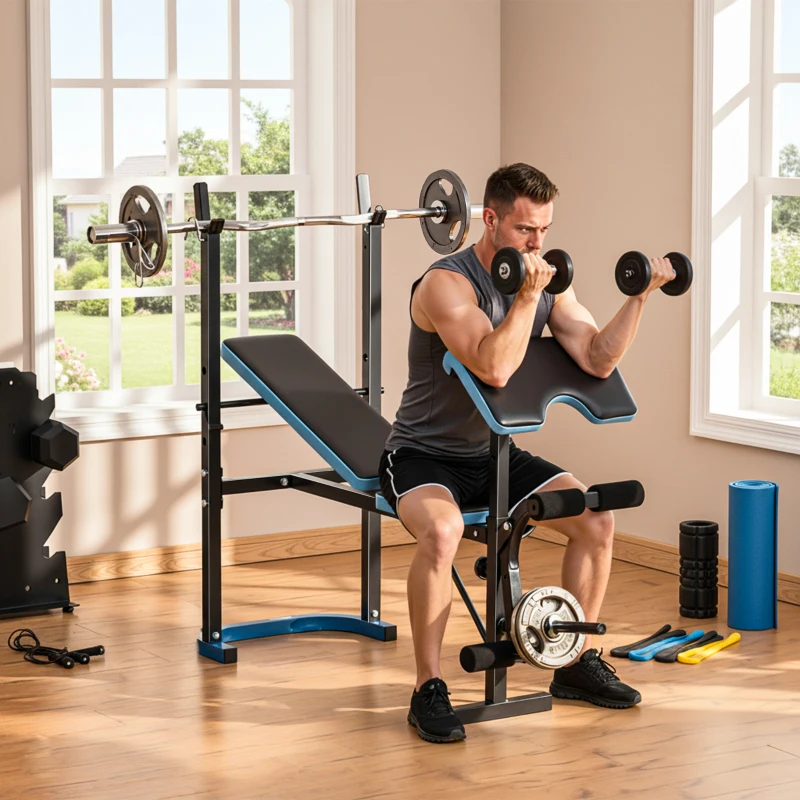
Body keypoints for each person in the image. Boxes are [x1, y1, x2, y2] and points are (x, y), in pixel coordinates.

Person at [378, 163, 676, 744]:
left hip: (495, 452)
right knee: (441, 535)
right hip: (423, 454)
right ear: (490, 220)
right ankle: (427, 688)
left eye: (544, 230)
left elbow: (597, 357)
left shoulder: (548, 281)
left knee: (593, 517)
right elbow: (492, 365)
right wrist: (526, 296)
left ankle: (573, 661)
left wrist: (638, 300)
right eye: (525, 231)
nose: (538, 244)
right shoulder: (446, 284)